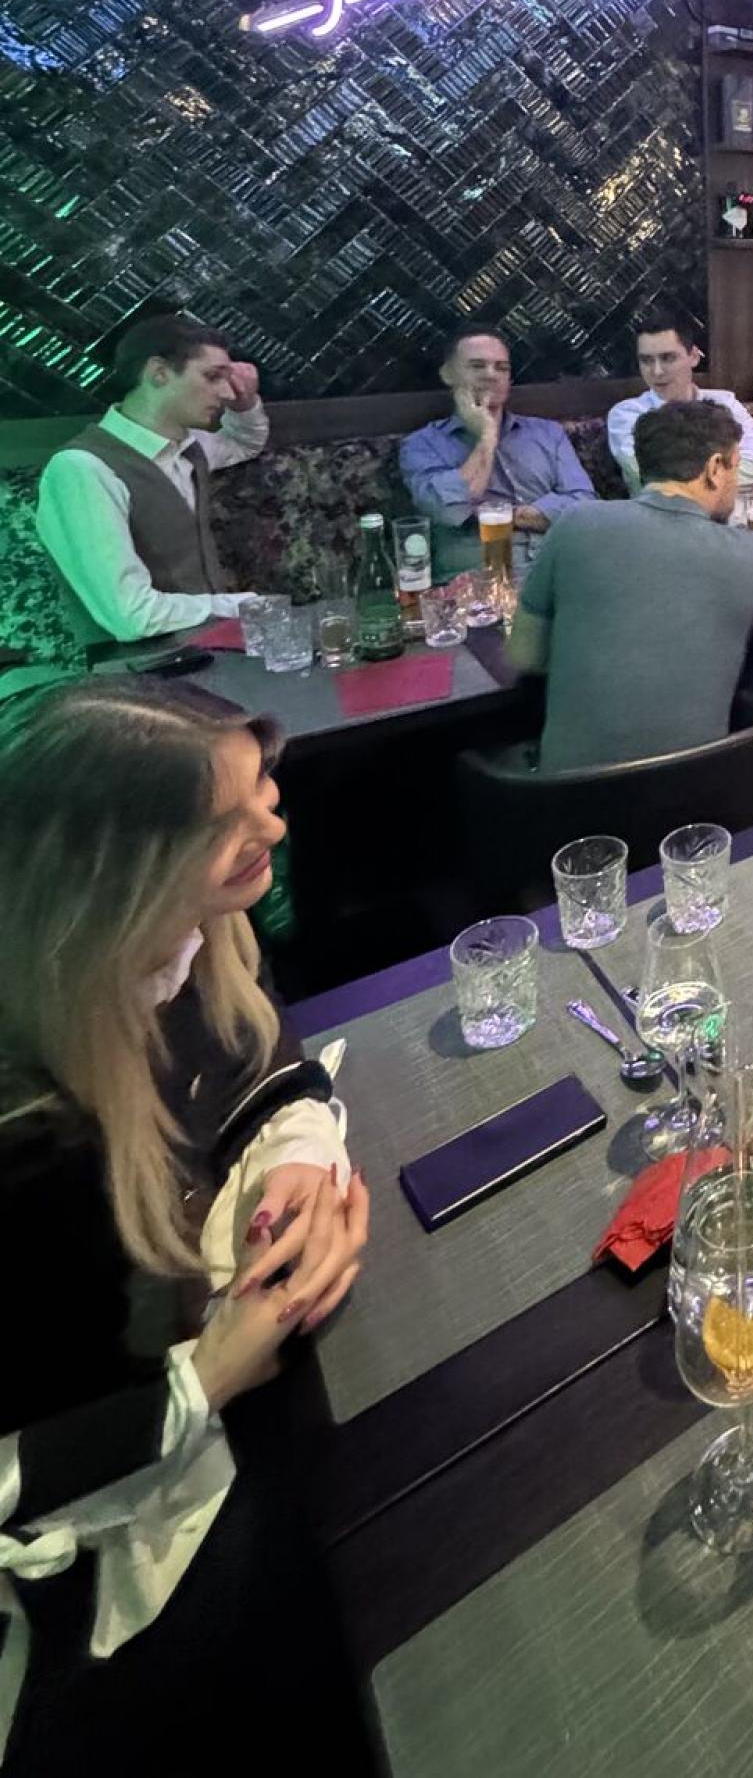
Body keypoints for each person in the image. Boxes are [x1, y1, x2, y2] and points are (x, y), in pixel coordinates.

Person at [0, 682, 372, 1765]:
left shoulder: (194, 940)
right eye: (231, 823)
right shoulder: (27, 1133)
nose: (276, 829)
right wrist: (206, 1378)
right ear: (117, 882)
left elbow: (263, 1058)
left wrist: (299, 1156)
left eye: (266, 792)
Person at [504, 401, 753, 772]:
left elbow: (525, 657)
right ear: (715, 468)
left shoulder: (575, 523)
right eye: (736, 466)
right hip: (703, 790)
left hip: (570, 796)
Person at [35, 313, 268, 643]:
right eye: (213, 376)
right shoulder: (82, 469)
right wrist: (240, 605)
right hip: (129, 665)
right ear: (159, 373)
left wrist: (246, 404)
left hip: (208, 648)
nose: (226, 392)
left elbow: (245, 442)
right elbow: (131, 615)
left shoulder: (191, 447)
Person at [398, 326, 598, 577]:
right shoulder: (422, 444)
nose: (491, 375)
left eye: (501, 368)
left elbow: (584, 504)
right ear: (448, 374)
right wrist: (486, 438)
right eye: (477, 366)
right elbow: (449, 509)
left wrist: (504, 516)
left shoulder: (548, 433)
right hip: (478, 578)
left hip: (560, 566)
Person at [605, 312, 753, 512]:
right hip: (665, 522)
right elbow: (651, 474)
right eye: (646, 361)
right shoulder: (627, 414)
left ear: (694, 357)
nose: (657, 371)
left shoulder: (725, 402)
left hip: (735, 523)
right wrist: (722, 465)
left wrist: (683, 469)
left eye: (668, 358)